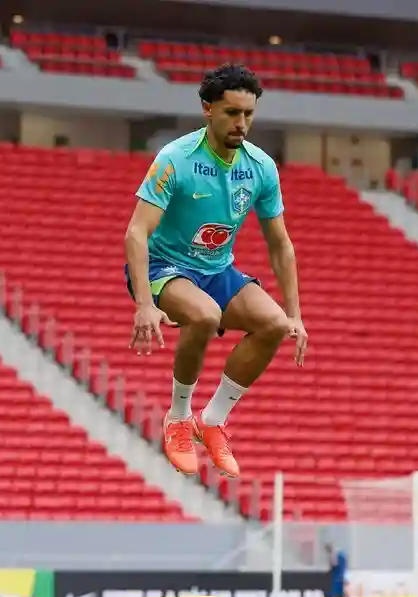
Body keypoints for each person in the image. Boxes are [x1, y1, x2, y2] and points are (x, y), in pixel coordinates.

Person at [124, 63, 307, 479]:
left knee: (273, 324)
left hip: (217, 268)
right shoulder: (176, 159)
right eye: (231, 113)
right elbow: (137, 232)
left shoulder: (260, 167)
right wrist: (143, 304)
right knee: (204, 315)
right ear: (208, 109)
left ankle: (212, 420)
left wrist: (295, 313)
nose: (241, 123)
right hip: (163, 265)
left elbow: (280, 243)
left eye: (248, 114)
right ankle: (177, 418)